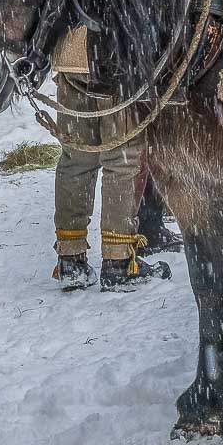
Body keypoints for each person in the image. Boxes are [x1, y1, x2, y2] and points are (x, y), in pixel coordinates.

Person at [50, 68, 169, 291]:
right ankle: (119, 262)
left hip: (69, 61)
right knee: (122, 160)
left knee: (76, 159)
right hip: (112, 60)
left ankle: (70, 259)